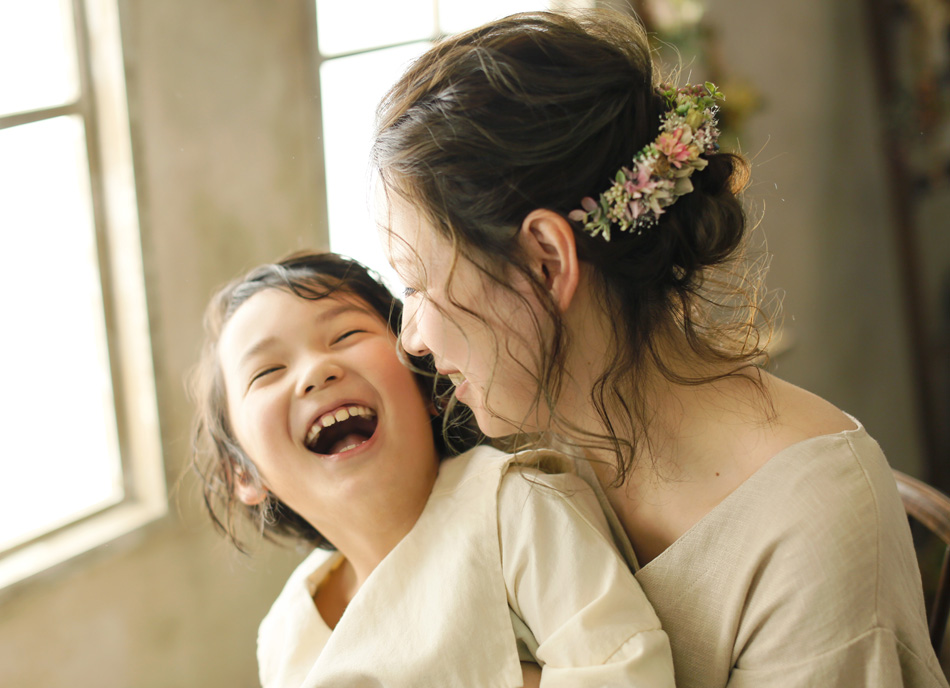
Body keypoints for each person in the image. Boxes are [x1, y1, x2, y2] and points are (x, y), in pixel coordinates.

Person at [372, 9, 949, 687]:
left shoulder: (812, 520)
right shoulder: (518, 463)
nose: (408, 336)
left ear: (547, 262)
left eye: (417, 284)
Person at [190, 251, 676, 687]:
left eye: (345, 335)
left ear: (427, 385)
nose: (317, 370)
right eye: (267, 372)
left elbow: (623, 667)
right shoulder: (285, 635)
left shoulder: (514, 508)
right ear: (246, 473)